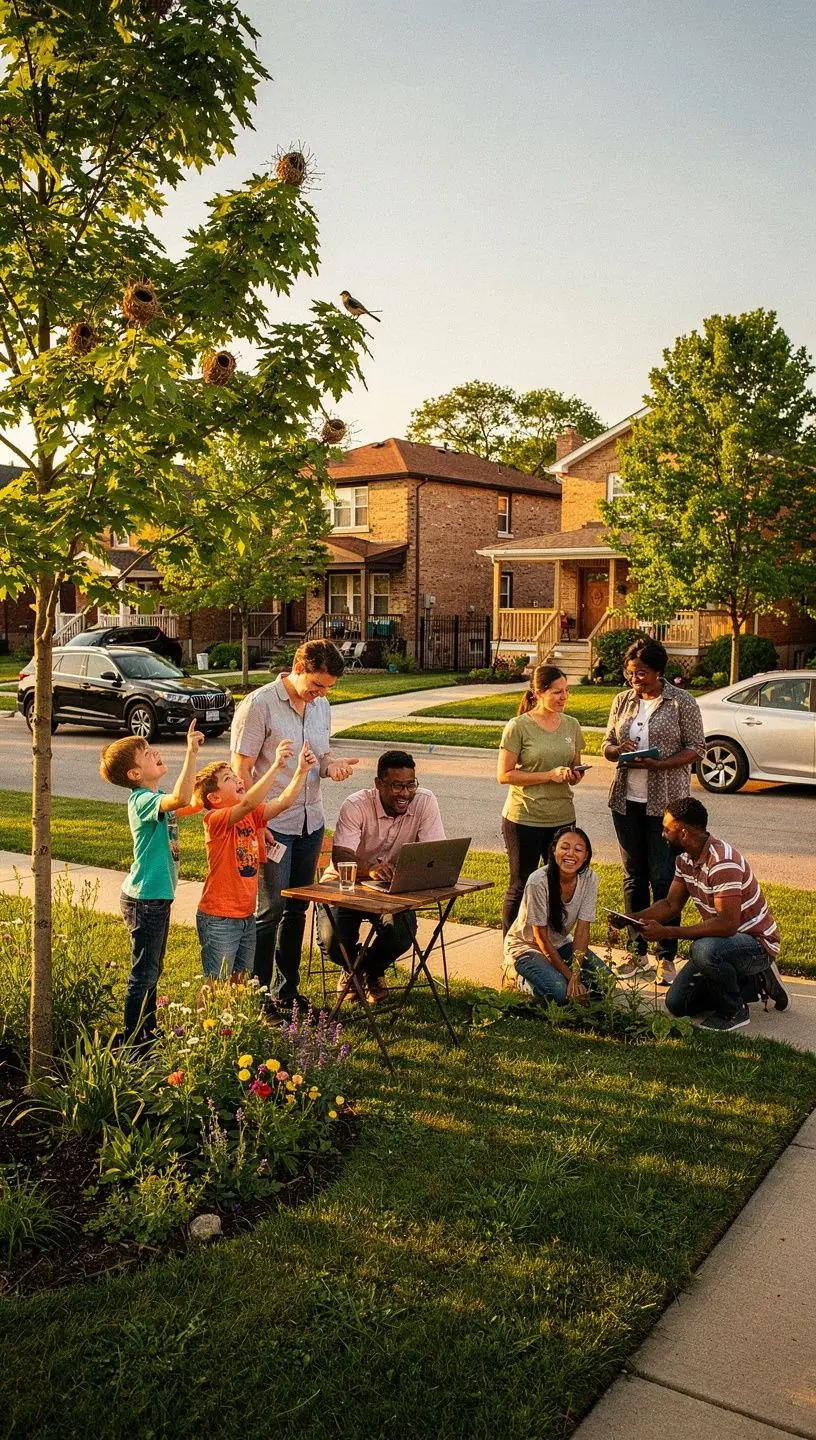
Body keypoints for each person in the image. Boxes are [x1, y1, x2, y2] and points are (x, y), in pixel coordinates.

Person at [230, 640, 359, 1012]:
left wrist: (332, 766)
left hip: (309, 822)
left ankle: (287, 992)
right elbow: (240, 770)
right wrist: (255, 821)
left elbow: (322, 755)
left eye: (328, 688)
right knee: (269, 910)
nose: (321, 694)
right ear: (298, 668)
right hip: (273, 824)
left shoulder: (321, 706)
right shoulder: (259, 705)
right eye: (317, 685)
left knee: (297, 909)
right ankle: (257, 997)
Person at [632, 796, 789, 1032]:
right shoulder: (685, 858)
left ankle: (735, 1009)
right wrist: (632, 918)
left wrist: (666, 932)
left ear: (683, 833)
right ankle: (753, 983)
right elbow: (671, 904)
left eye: (667, 829)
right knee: (678, 1004)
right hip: (725, 943)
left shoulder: (722, 863)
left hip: (756, 944)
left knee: (704, 950)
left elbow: (727, 924)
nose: (662, 834)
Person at [602, 638, 705, 986]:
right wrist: (618, 749)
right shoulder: (622, 700)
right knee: (634, 877)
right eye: (631, 673)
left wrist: (660, 764)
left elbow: (697, 748)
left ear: (659, 672)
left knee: (664, 879)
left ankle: (665, 956)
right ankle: (636, 953)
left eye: (642, 673)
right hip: (626, 800)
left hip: (666, 806)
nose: (635, 680)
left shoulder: (681, 702)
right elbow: (606, 745)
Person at [100, 719, 204, 1043]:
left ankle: (147, 1031)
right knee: (144, 973)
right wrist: (190, 753)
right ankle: (134, 1039)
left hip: (155, 897)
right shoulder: (142, 800)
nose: (155, 752)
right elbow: (181, 799)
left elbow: (189, 801)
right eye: (146, 753)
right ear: (135, 774)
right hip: (146, 899)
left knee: (152, 969)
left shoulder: (154, 796)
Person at [319, 749, 445, 1004]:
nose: (405, 793)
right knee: (333, 942)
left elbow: (435, 852)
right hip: (346, 886)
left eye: (410, 785)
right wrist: (369, 870)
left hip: (392, 889)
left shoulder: (425, 801)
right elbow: (342, 857)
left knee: (402, 933)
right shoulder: (356, 805)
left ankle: (367, 969)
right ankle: (356, 968)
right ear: (378, 784)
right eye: (397, 786)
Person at [192, 740, 316, 983]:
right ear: (214, 797)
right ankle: (209, 1012)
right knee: (216, 984)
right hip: (219, 918)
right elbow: (249, 802)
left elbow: (283, 802)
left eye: (234, 776)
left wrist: (301, 771)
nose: (238, 780)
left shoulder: (250, 816)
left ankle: (236, 1011)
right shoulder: (215, 820)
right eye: (228, 779)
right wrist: (276, 765)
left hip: (246, 916)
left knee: (240, 981)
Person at [497, 664, 586, 936]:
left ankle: (552, 944)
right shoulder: (518, 727)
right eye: (557, 692)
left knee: (557, 883)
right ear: (538, 693)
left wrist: (574, 774)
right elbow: (504, 775)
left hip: (562, 818)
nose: (564, 697)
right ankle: (511, 947)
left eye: (566, 691)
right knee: (521, 884)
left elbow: (574, 766)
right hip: (524, 818)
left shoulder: (572, 725)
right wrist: (549, 775)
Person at [502, 825, 611, 1003]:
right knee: (560, 993)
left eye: (578, 850)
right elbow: (541, 938)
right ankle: (516, 977)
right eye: (564, 847)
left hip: (560, 943)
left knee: (605, 982)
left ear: (586, 856)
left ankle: (552, 976)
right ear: (554, 851)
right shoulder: (537, 882)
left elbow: (582, 931)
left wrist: (576, 974)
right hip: (526, 946)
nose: (570, 854)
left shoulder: (590, 879)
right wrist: (571, 978)